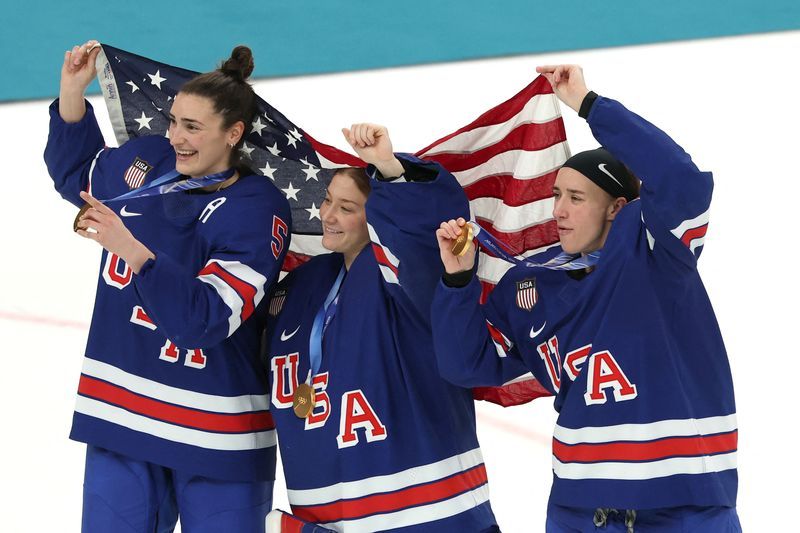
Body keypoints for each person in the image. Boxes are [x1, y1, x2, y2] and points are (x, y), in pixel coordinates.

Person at [432, 65, 741, 532]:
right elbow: (467, 365)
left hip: (682, 510)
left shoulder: (655, 251)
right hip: (579, 513)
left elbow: (681, 179)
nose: (558, 210)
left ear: (619, 207)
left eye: (576, 197)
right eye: (556, 194)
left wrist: (589, 105)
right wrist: (457, 282)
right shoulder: (529, 286)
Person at [44, 40, 291, 532]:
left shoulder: (257, 208)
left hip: (217, 432)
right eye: (174, 121)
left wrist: (133, 251)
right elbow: (76, 171)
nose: (176, 137)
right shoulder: (146, 163)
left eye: (193, 127)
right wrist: (73, 91)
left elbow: (204, 320)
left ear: (233, 133)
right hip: (122, 410)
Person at [261, 123, 506, 532]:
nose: (327, 215)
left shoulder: (405, 276)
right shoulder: (305, 284)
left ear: (375, 217)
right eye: (326, 201)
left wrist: (388, 167)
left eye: (347, 207)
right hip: (328, 513)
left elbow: (419, 238)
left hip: (431, 513)